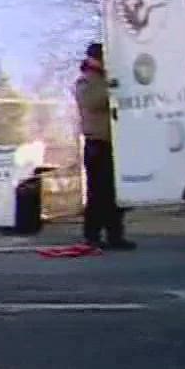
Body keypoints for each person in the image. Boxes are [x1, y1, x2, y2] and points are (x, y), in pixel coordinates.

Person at [76, 42, 135, 250]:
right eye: (98, 57)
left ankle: (115, 235)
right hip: (96, 143)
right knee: (97, 192)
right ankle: (91, 235)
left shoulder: (104, 78)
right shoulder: (86, 81)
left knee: (114, 193)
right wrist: (112, 87)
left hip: (113, 143)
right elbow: (92, 101)